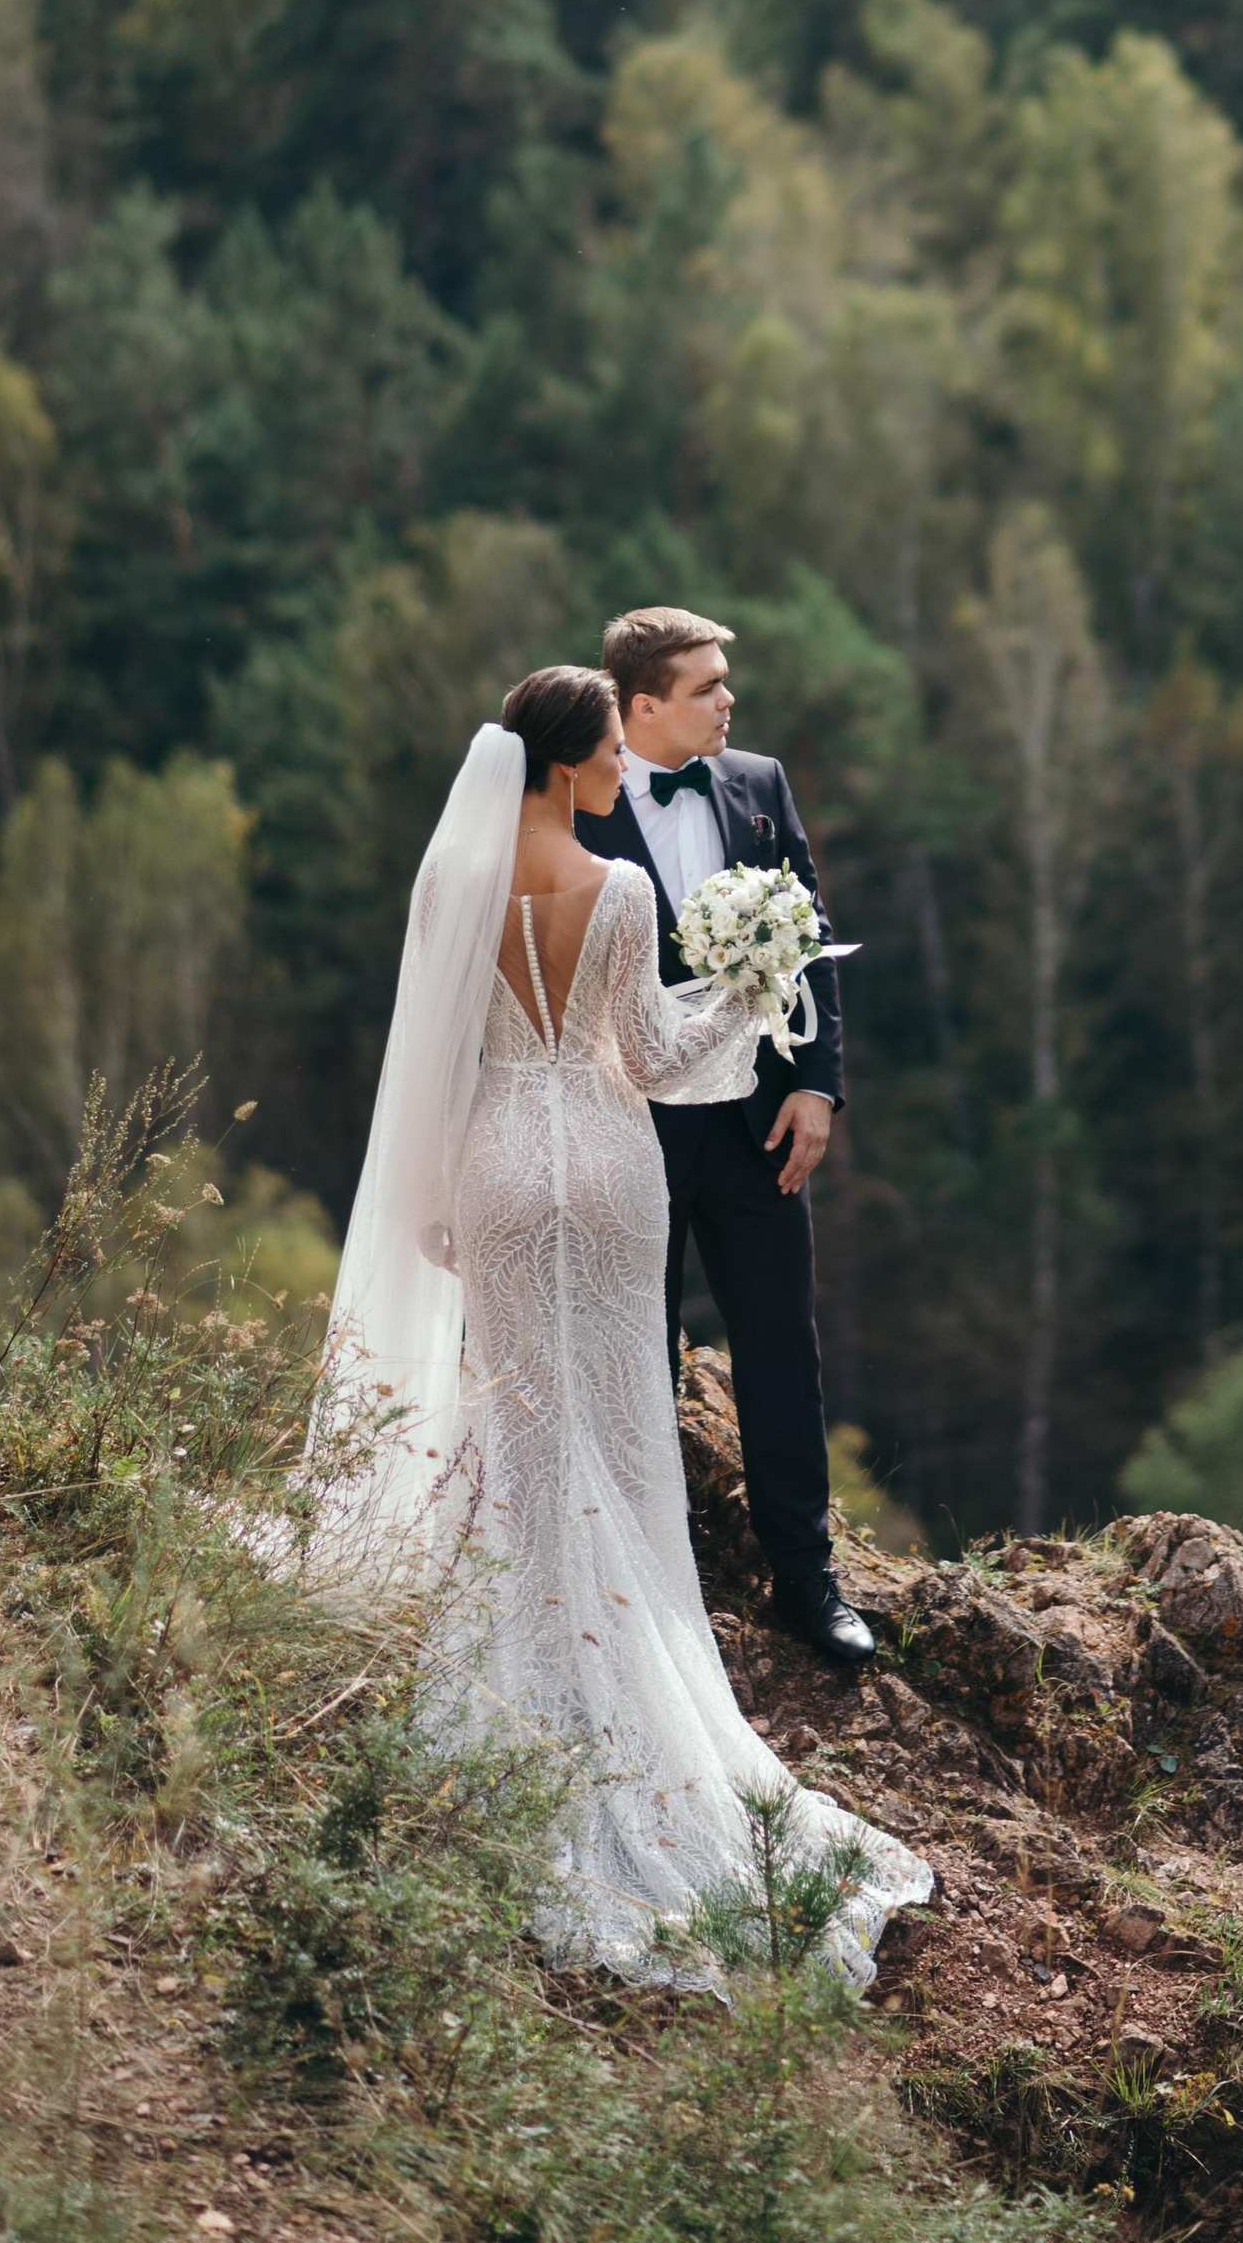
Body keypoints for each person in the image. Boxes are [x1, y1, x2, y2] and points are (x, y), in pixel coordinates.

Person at [307, 664, 929, 1987]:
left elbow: (432, 1059)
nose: (614, 773)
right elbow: (647, 1055)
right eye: (604, 753)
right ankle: (633, 1667)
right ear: (570, 759)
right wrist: (752, 988)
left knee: (519, 1415)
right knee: (622, 1416)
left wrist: (438, 1196)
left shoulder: (448, 884)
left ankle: (524, 1661)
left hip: (497, 1163)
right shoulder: (623, 888)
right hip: (604, 1165)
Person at [572, 605, 874, 1667]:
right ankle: (651, 1590)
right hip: (628, 1125)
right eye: (706, 687)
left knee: (782, 1345)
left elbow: (810, 937)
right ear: (642, 706)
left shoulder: (758, 783)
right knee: (636, 1353)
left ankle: (808, 1580)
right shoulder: (571, 802)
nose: (728, 700)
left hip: (758, 1122)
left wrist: (817, 1087)